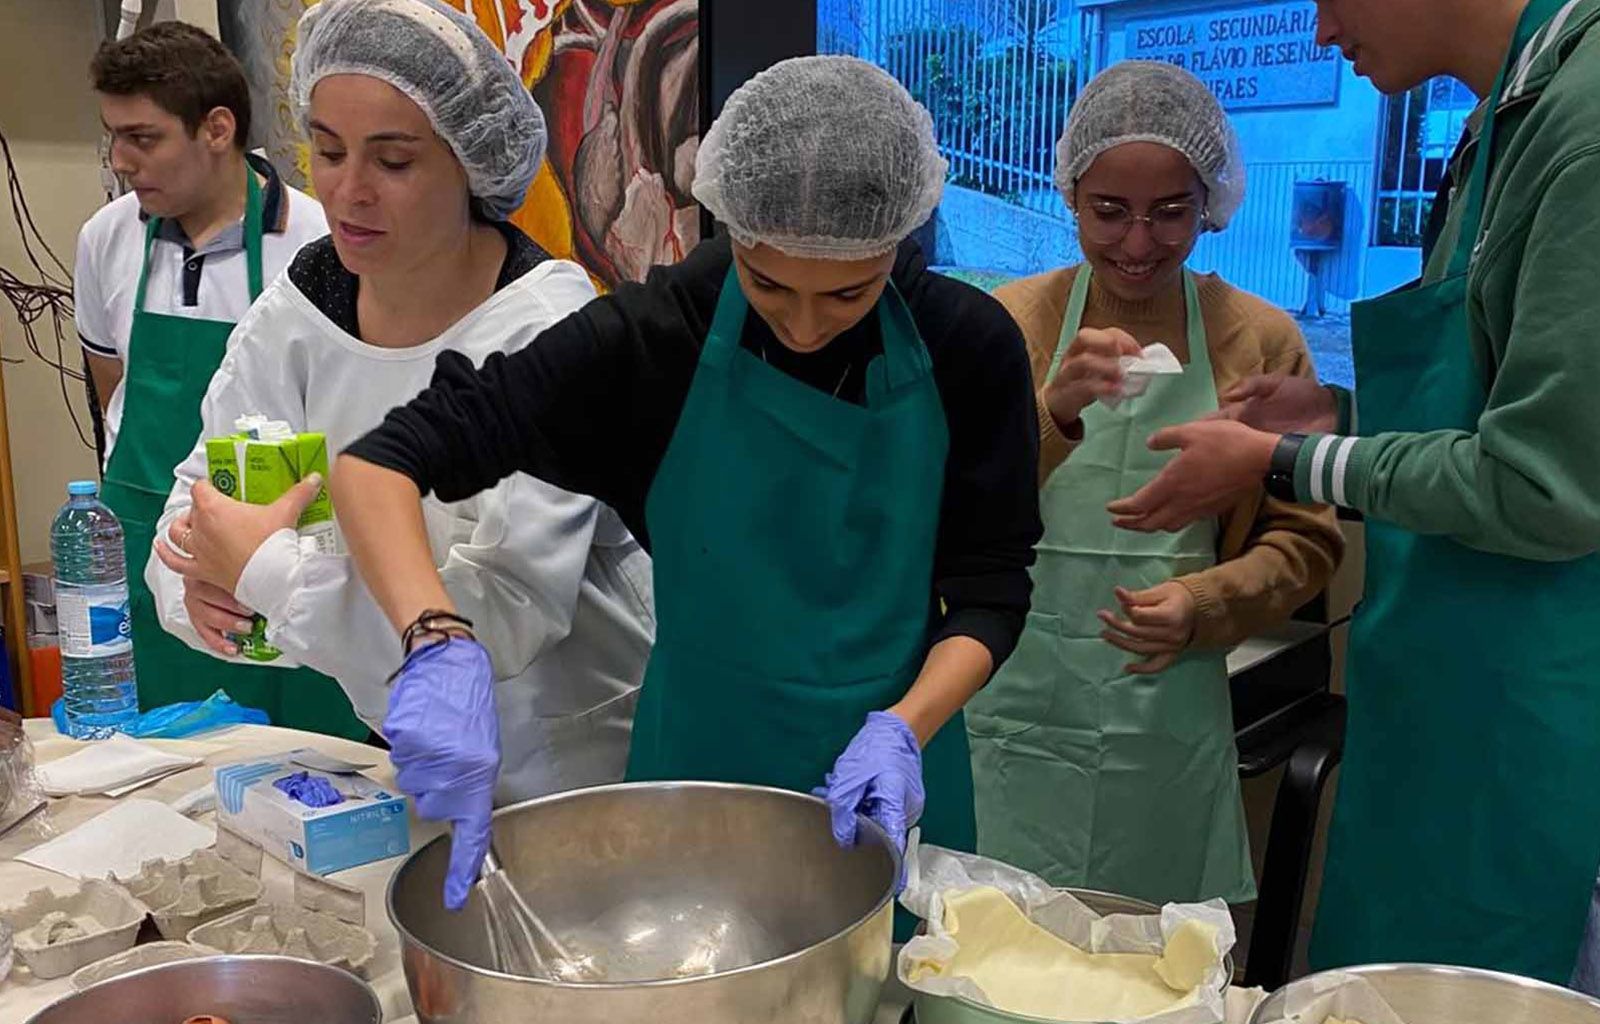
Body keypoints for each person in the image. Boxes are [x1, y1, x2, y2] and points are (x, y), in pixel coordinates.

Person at [329, 54, 1043, 916]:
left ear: (900, 242)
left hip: (887, 783)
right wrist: (435, 638)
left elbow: (991, 587)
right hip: (699, 774)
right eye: (770, 282)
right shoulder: (660, 337)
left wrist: (903, 730)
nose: (807, 326)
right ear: (731, 228)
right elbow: (380, 463)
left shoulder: (968, 347)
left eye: (849, 291)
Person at [1103, 0, 1600, 984]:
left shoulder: (1580, 135)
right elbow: (1489, 403)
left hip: (1533, 709)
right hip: (1443, 695)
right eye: (1107, 209)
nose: (1322, 31)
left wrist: (1277, 464)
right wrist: (1338, 415)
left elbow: (1545, 483)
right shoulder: (1505, 123)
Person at [144, 0, 654, 806]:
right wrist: (200, 591)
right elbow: (199, 502)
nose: (349, 192)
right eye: (328, 150)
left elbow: (508, 613)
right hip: (403, 754)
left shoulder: (548, 334)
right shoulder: (297, 316)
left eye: (394, 161)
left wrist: (268, 570)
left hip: (571, 765)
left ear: (471, 165)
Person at [966, 61, 1343, 907]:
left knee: (1155, 962)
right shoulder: (1009, 323)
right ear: (1069, 193)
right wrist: (1051, 413)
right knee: (1004, 949)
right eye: (1109, 212)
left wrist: (1207, 603)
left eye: (1170, 212)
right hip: (1015, 710)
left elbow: (1308, 537)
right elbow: (952, 510)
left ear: (1209, 201)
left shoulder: (1260, 338)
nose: (1138, 243)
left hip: (1166, 717)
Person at [72, 22, 362, 735]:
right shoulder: (105, 238)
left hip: (289, 551)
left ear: (217, 128)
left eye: (143, 138)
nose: (121, 161)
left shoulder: (323, 247)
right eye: (113, 137)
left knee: (312, 772)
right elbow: (112, 388)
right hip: (153, 543)